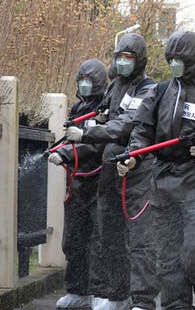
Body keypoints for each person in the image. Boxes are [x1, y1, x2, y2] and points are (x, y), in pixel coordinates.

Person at [122, 29, 195, 310]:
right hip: (163, 185)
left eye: (179, 58)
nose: (174, 63)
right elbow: (142, 131)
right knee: (169, 259)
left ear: (193, 59)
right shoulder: (158, 93)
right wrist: (133, 156)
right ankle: (176, 305)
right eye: (170, 58)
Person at [64, 33, 158, 310]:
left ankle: (143, 299)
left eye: (129, 57)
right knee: (109, 237)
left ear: (139, 60)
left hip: (137, 174)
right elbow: (106, 116)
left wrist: (88, 133)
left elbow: (127, 123)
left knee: (140, 241)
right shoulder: (114, 88)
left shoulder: (148, 89)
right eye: (119, 57)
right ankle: (116, 295)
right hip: (109, 173)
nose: (123, 62)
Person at [48, 59, 108, 309]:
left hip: (99, 183)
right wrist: (60, 149)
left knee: (98, 240)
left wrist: (66, 155)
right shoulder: (77, 108)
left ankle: (99, 292)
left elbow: (96, 144)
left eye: (88, 80)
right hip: (77, 184)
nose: (84, 84)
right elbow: (72, 140)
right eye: (81, 80)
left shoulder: (106, 109)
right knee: (73, 239)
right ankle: (77, 291)